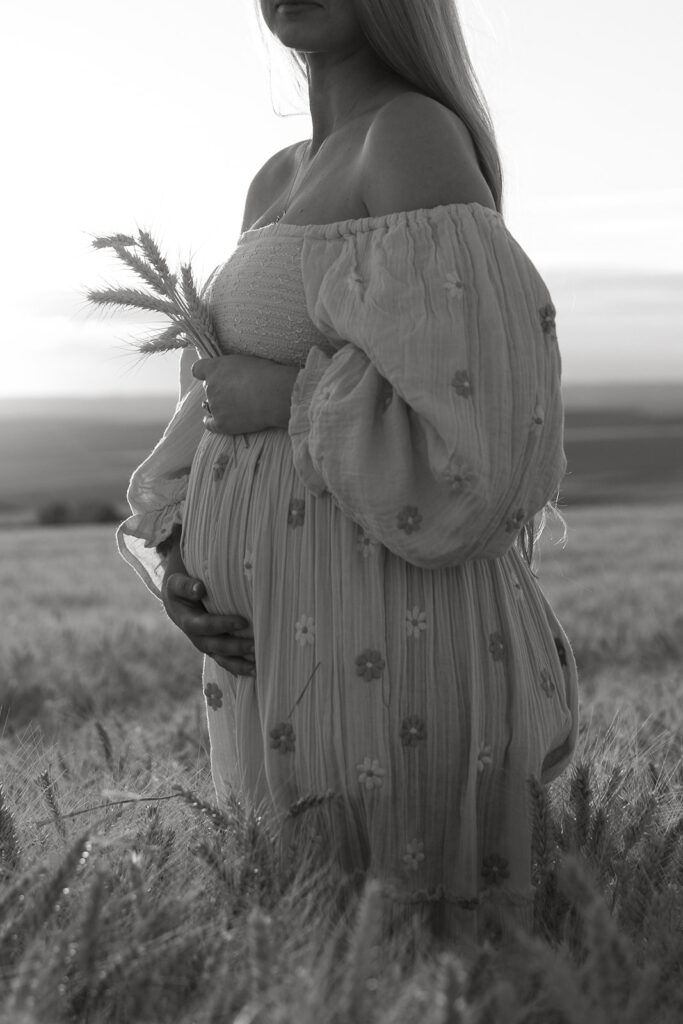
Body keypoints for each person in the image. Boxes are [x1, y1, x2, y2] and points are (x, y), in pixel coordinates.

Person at [117, 0, 579, 945]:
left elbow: (487, 420)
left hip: (386, 634)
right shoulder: (274, 177)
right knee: (311, 941)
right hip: (271, 652)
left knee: (408, 951)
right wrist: (179, 559)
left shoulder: (410, 135)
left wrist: (285, 395)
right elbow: (214, 402)